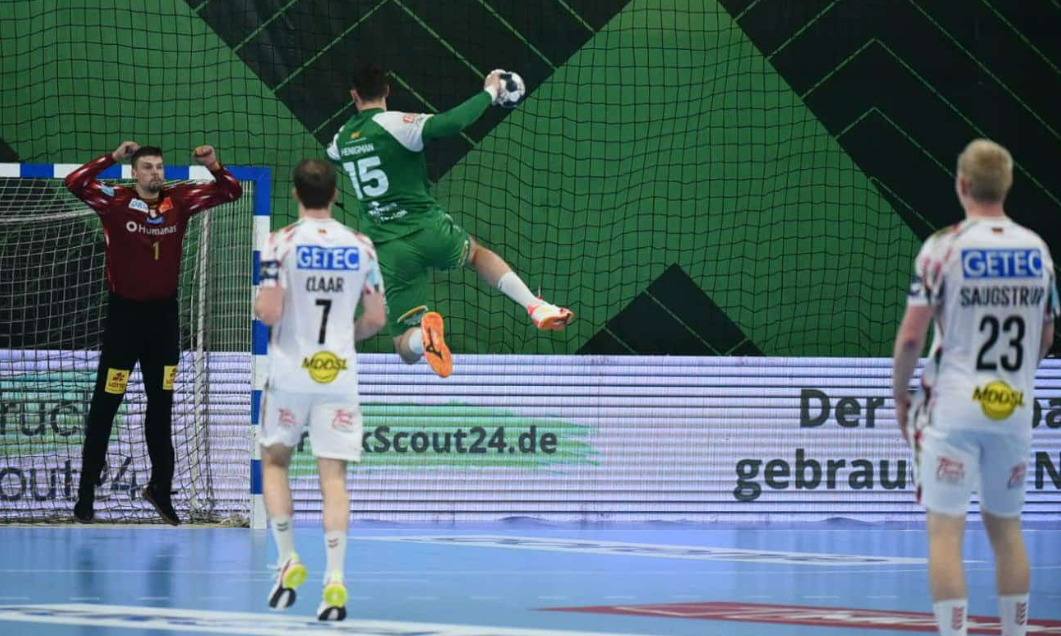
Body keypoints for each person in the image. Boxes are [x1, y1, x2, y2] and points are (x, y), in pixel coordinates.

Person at [893, 139, 1056, 636]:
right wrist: (1017, 380)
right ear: (1008, 185)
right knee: (1007, 530)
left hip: (954, 408)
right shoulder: (1037, 250)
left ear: (962, 184)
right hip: (1012, 406)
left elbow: (912, 338)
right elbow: (1047, 334)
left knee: (946, 532)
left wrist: (900, 395)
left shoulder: (944, 247)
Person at [326, 63, 573, 378]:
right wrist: (491, 91)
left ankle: (422, 338)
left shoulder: (343, 138)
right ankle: (535, 306)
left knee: (403, 345)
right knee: (476, 254)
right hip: (429, 229)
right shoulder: (398, 124)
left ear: (353, 95)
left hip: (389, 248)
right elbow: (453, 122)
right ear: (387, 90)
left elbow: (331, 155)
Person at [65, 142, 243, 524]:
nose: (155, 173)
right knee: (106, 407)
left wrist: (213, 164)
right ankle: (85, 495)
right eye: (146, 167)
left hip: (163, 322)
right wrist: (111, 158)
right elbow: (74, 182)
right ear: (134, 173)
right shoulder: (114, 200)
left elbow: (232, 191)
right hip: (124, 322)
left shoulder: (181, 201)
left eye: (159, 167)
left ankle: (160, 489)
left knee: (161, 406)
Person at [254, 159, 387, 621]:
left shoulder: (280, 243)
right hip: (339, 375)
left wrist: (262, 304)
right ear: (335, 195)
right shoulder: (362, 246)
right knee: (334, 480)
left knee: (275, 462)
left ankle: (287, 558)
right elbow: (376, 318)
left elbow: (270, 313)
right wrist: (349, 338)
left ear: (295, 194)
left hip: (291, 374)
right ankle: (335, 581)